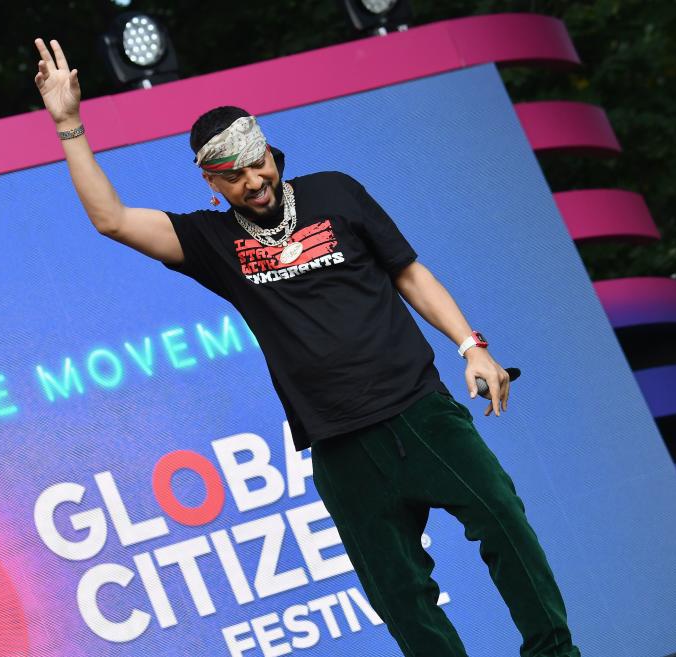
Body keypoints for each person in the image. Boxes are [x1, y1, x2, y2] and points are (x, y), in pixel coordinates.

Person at [32, 37, 581, 657]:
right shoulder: (212, 241)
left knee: (505, 523)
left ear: (270, 150)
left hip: (421, 413)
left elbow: (410, 273)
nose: (253, 180)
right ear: (215, 184)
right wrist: (70, 124)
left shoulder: (335, 193)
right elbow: (111, 218)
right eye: (233, 175)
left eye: (257, 162)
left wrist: (471, 345)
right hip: (341, 447)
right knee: (400, 595)